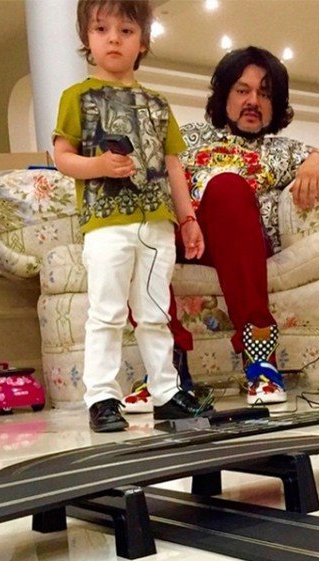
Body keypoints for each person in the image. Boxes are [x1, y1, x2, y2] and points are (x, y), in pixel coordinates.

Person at [53, 0, 210, 432]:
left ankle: (166, 392)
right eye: (101, 29)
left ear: (142, 41)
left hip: (157, 224)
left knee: (156, 312)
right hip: (105, 226)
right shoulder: (76, 97)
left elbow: (173, 166)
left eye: (125, 30)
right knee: (106, 313)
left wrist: (187, 219)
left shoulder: (158, 104)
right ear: (86, 37)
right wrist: (99, 166)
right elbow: (63, 156)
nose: (114, 39)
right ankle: (102, 397)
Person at [171, 46, 319, 405]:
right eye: (242, 90)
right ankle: (168, 363)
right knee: (140, 233)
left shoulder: (282, 150)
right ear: (225, 96)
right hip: (187, 237)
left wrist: (315, 160)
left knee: (227, 186)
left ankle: (260, 358)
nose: (253, 101)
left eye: (264, 94)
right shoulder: (189, 137)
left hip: (241, 243)